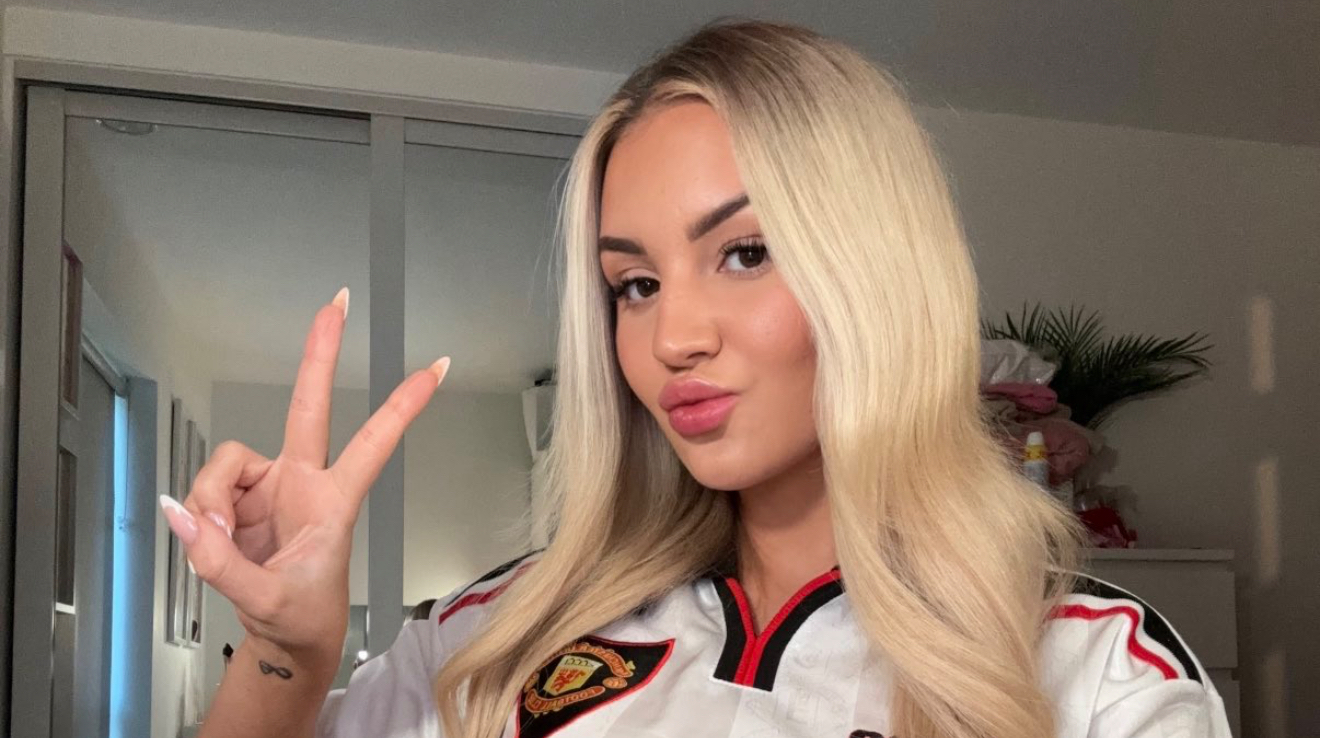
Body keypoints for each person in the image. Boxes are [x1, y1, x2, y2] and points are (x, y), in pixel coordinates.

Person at [161, 20, 1231, 738]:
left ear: (878, 271)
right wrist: (286, 651)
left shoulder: (1093, 671)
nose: (671, 336)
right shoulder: (496, 636)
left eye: (746, 253)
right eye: (633, 284)